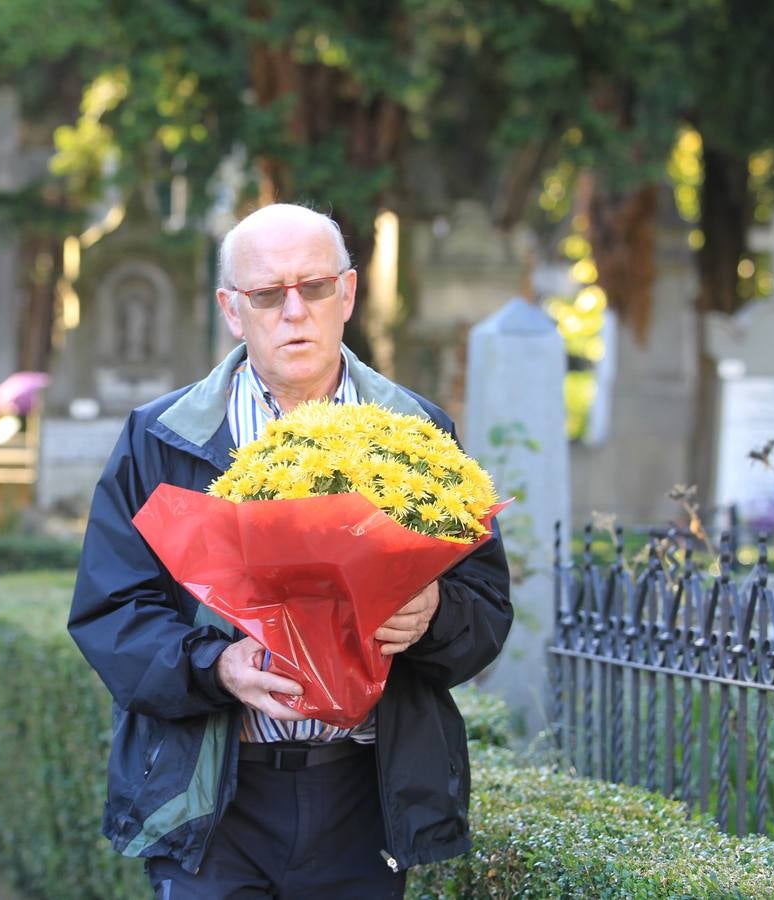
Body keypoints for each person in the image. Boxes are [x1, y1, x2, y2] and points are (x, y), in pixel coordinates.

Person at [68, 203, 512, 898]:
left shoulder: (421, 432)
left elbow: (485, 612)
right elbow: (110, 612)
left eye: (314, 286)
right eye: (268, 294)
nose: (293, 311)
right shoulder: (160, 439)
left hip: (362, 802)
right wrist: (218, 667)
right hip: (214, 804)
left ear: (349, 294)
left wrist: (432, 613)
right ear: (232, 309)